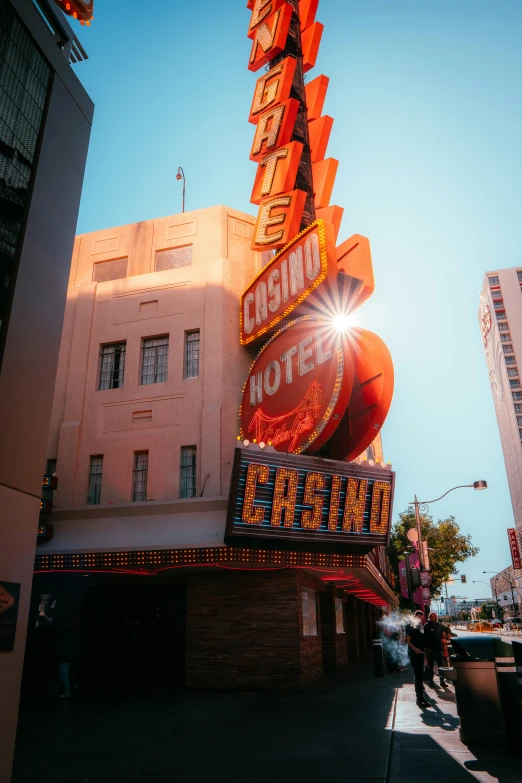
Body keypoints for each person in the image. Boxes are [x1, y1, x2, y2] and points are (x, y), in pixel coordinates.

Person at [405, 610, 432, 708]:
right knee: (418, 677)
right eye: (419, 618)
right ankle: (420, 699)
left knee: (420, 676)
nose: (420, 620)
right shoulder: (410, 626)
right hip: (414, 654)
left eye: (422, 618)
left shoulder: (421, 626)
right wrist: (415, 649)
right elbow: (407, 641)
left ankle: (420, 698)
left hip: (421, 654)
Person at [54, 617, 82, 698]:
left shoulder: (62, 633)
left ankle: (67, 692)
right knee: (63, 674)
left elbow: (58, 646)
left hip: (63, 657)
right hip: (71, 657)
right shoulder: (75, 632)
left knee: (63, 675)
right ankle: (55, 689)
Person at [424, 611, 448, 688]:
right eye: (431, 616)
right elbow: (424, 638)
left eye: (434, 616)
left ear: (436, 617)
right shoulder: (426, 626)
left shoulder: (440, 626)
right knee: (430, 666)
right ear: (429, 617)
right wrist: (426, 649)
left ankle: (442, 681)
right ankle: (431, 681)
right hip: (430, 649)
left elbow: (446, 632)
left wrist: (445, 641)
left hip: (438, 649)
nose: (433, 618)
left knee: (440, 666)